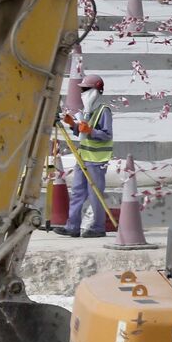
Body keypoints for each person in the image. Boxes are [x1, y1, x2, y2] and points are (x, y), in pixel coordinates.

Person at [60, 75, 114, 238]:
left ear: (96, 91)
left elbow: (107, 135)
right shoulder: (87, 111)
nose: (83, 93)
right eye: (82, 90)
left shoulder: (104, 111)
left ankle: (98, 228)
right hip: (83, 156)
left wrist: (90, 131)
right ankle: (72, 226)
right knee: (77, 191)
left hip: (97, 160)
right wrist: (72, 124)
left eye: (86, 90)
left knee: (95, 194)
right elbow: (83, 132)